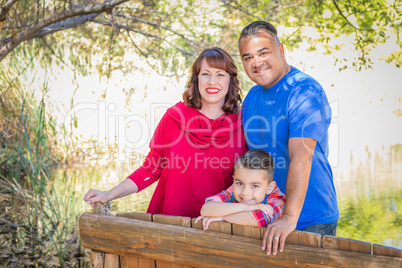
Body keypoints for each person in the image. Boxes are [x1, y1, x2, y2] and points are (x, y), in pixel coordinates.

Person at [83, 47, 247, 218]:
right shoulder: (174, 117)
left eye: (220, 74)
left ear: (230, 80)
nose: (212, 81)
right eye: (205, 74)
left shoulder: (242, 124)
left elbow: (249, 182)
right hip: (170, 222)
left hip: (219, 225)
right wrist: (109, 194)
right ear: (196, 79)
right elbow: (150, 169)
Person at [238, 21, 339, 255]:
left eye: (263, 53)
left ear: (281, 50)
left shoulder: (304, 91)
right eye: (248, 57)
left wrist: (289, 216)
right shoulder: (252, 98)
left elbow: (301, 157)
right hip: (266, 217)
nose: (256, 62)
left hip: (309, 218)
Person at [195, 149, 285, 230]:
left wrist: (222, 217)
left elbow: (256, 220)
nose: (245, 193)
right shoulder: (234, 188)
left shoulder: (277, 199)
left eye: (255, 186)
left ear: (269, 188)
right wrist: (247, 207)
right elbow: (206, 209)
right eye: (239, 183)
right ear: (234, 179)